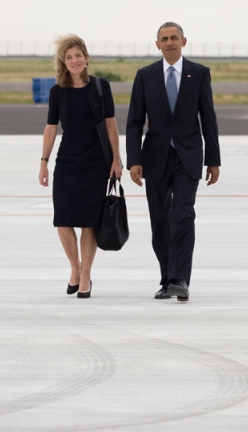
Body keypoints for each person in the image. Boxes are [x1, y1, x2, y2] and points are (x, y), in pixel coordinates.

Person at [126, 22, 221, 302]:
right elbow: (134, 122)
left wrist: (213, 160)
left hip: (188, 156)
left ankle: (180, 279)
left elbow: (209, 119)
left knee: (182, 215)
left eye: (174, 38)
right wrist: (134, 160)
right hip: (154, 158)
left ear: (184, 41)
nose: (169, 43)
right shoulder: (145, 76)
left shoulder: (199, 74)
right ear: (157, 44)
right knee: (159, 222)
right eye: (164, 39)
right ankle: (167, 278)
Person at [38, 35, 123, 299]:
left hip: (96, 162)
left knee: (89, 222)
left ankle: (85, 275)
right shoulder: (57, 92)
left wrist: (116, 158)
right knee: (63, 220)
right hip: (67, 162)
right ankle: (75, 268)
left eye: (78, 55)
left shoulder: (101, 86)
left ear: (86, 57)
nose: (74, 61)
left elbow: (111, 124)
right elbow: (51, 128)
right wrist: (44, 162)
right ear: (63, 63)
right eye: (69, 57)